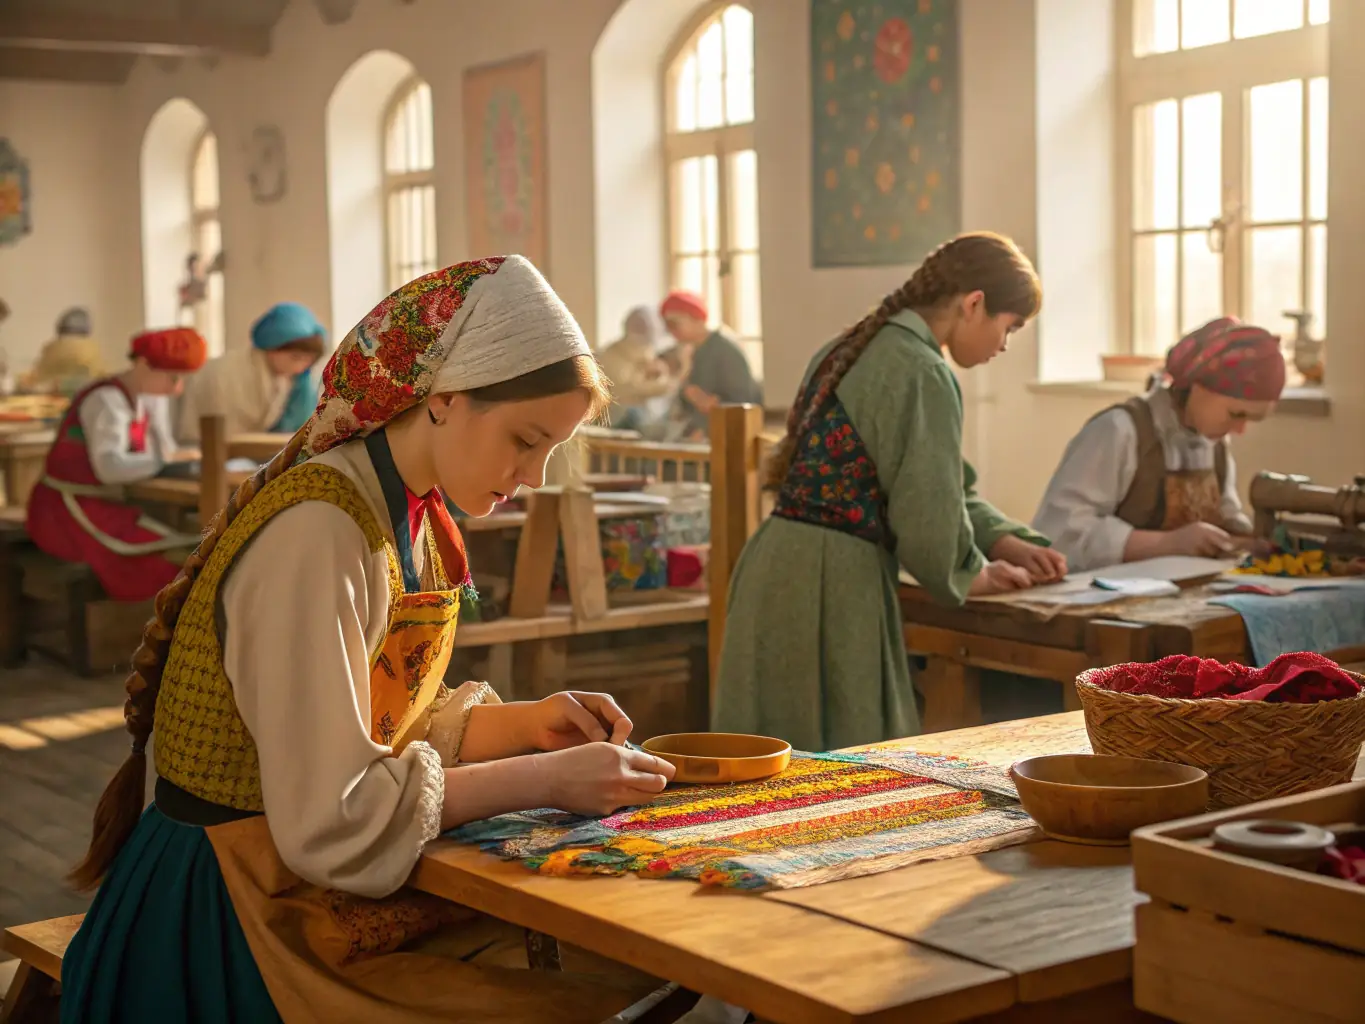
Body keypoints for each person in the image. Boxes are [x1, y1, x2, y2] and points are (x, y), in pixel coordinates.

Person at [60, 256, 681, 1024]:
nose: (533, 474)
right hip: (232, 911)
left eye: (551, 449)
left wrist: (523, 726)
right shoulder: (318, 533)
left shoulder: (406, 511)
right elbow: (333, 815)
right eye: (525, 439)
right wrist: (543, 778)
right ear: (444, 399)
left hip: (290, 877)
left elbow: (369, 725)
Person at [712, 233, 1065, 752]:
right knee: (840, 769)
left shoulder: (851, 347)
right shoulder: (924, 372)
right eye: (1008, 328)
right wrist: (970, 573)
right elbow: (927, 517)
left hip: (774, 570)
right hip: (834, 584)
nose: (1004, 345)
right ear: (974, 304)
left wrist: (1005, 540)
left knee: (765, 762)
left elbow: (938, 485)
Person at [1032, 317, 1285, 573]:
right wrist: (1166, 543)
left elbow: (1226, 516)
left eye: (1252, 419)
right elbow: (1059, 534)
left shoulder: (1215, 445)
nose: (1240, 430)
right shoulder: (1118, 431)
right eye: (1236, 414)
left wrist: (1245, 539)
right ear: (1198, 386)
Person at [26, 327, 206, 603]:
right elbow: (110, 467)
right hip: (67, 510)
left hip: (109, 505)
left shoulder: (148, 398)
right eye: (172, 378)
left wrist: (178, 458)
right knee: (163, 565)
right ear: (143, 365)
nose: (177, 389)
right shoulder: (105, 401)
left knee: (186, 548)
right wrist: (164, 462)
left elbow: (164, 449)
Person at [179, 301, 326, 441]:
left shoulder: (293, 380)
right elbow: (225, 435)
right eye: (296, 358)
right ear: (271, 347)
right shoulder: (228, 373)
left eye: (309, 361)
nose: (301, 367)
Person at [660, 290, 762, 437]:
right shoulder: (687, 350)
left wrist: (709, 404)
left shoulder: (725, 349)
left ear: (697, 319)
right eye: (667, 326)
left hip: (726, 434)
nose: (671, 332)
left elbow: (742, 402)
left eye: (674, 324)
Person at [596, 305, 677, 431]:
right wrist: (660, 385)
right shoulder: (611, 356)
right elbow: (625, 391)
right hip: (617, 420)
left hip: (645, 417)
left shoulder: (646, 351)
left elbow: (659, 379)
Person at [22, 306, 106, 394]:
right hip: (85, 398)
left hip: (49, 398)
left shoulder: (52, 347)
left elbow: (34, 379)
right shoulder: (92, 348)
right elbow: (102, 378)